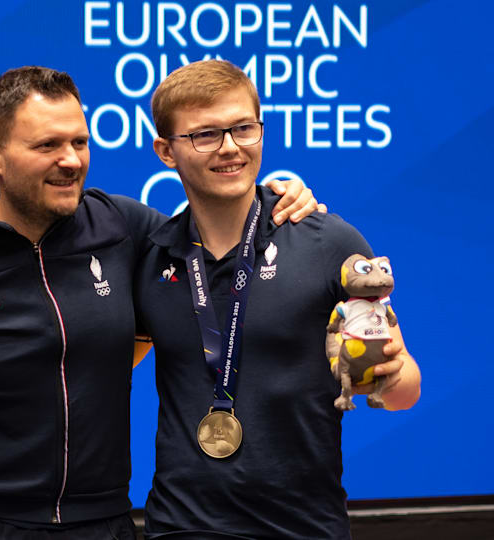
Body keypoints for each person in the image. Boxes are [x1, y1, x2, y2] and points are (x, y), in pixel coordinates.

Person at [0, 66, 319, 540]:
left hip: (105, 521)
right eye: (47, 146)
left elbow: (221, 236)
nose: (71, 160)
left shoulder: (123, 227)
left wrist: (280, 200)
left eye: (79, 142)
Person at [135, 59, 421, 539]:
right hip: (181, 526)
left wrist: (389, 374)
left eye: (243, 128)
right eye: (205, 134)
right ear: (166, 151)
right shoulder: (150, 258)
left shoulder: (328, 242)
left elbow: (403, 390)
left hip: (303, 527)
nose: (230, 148)